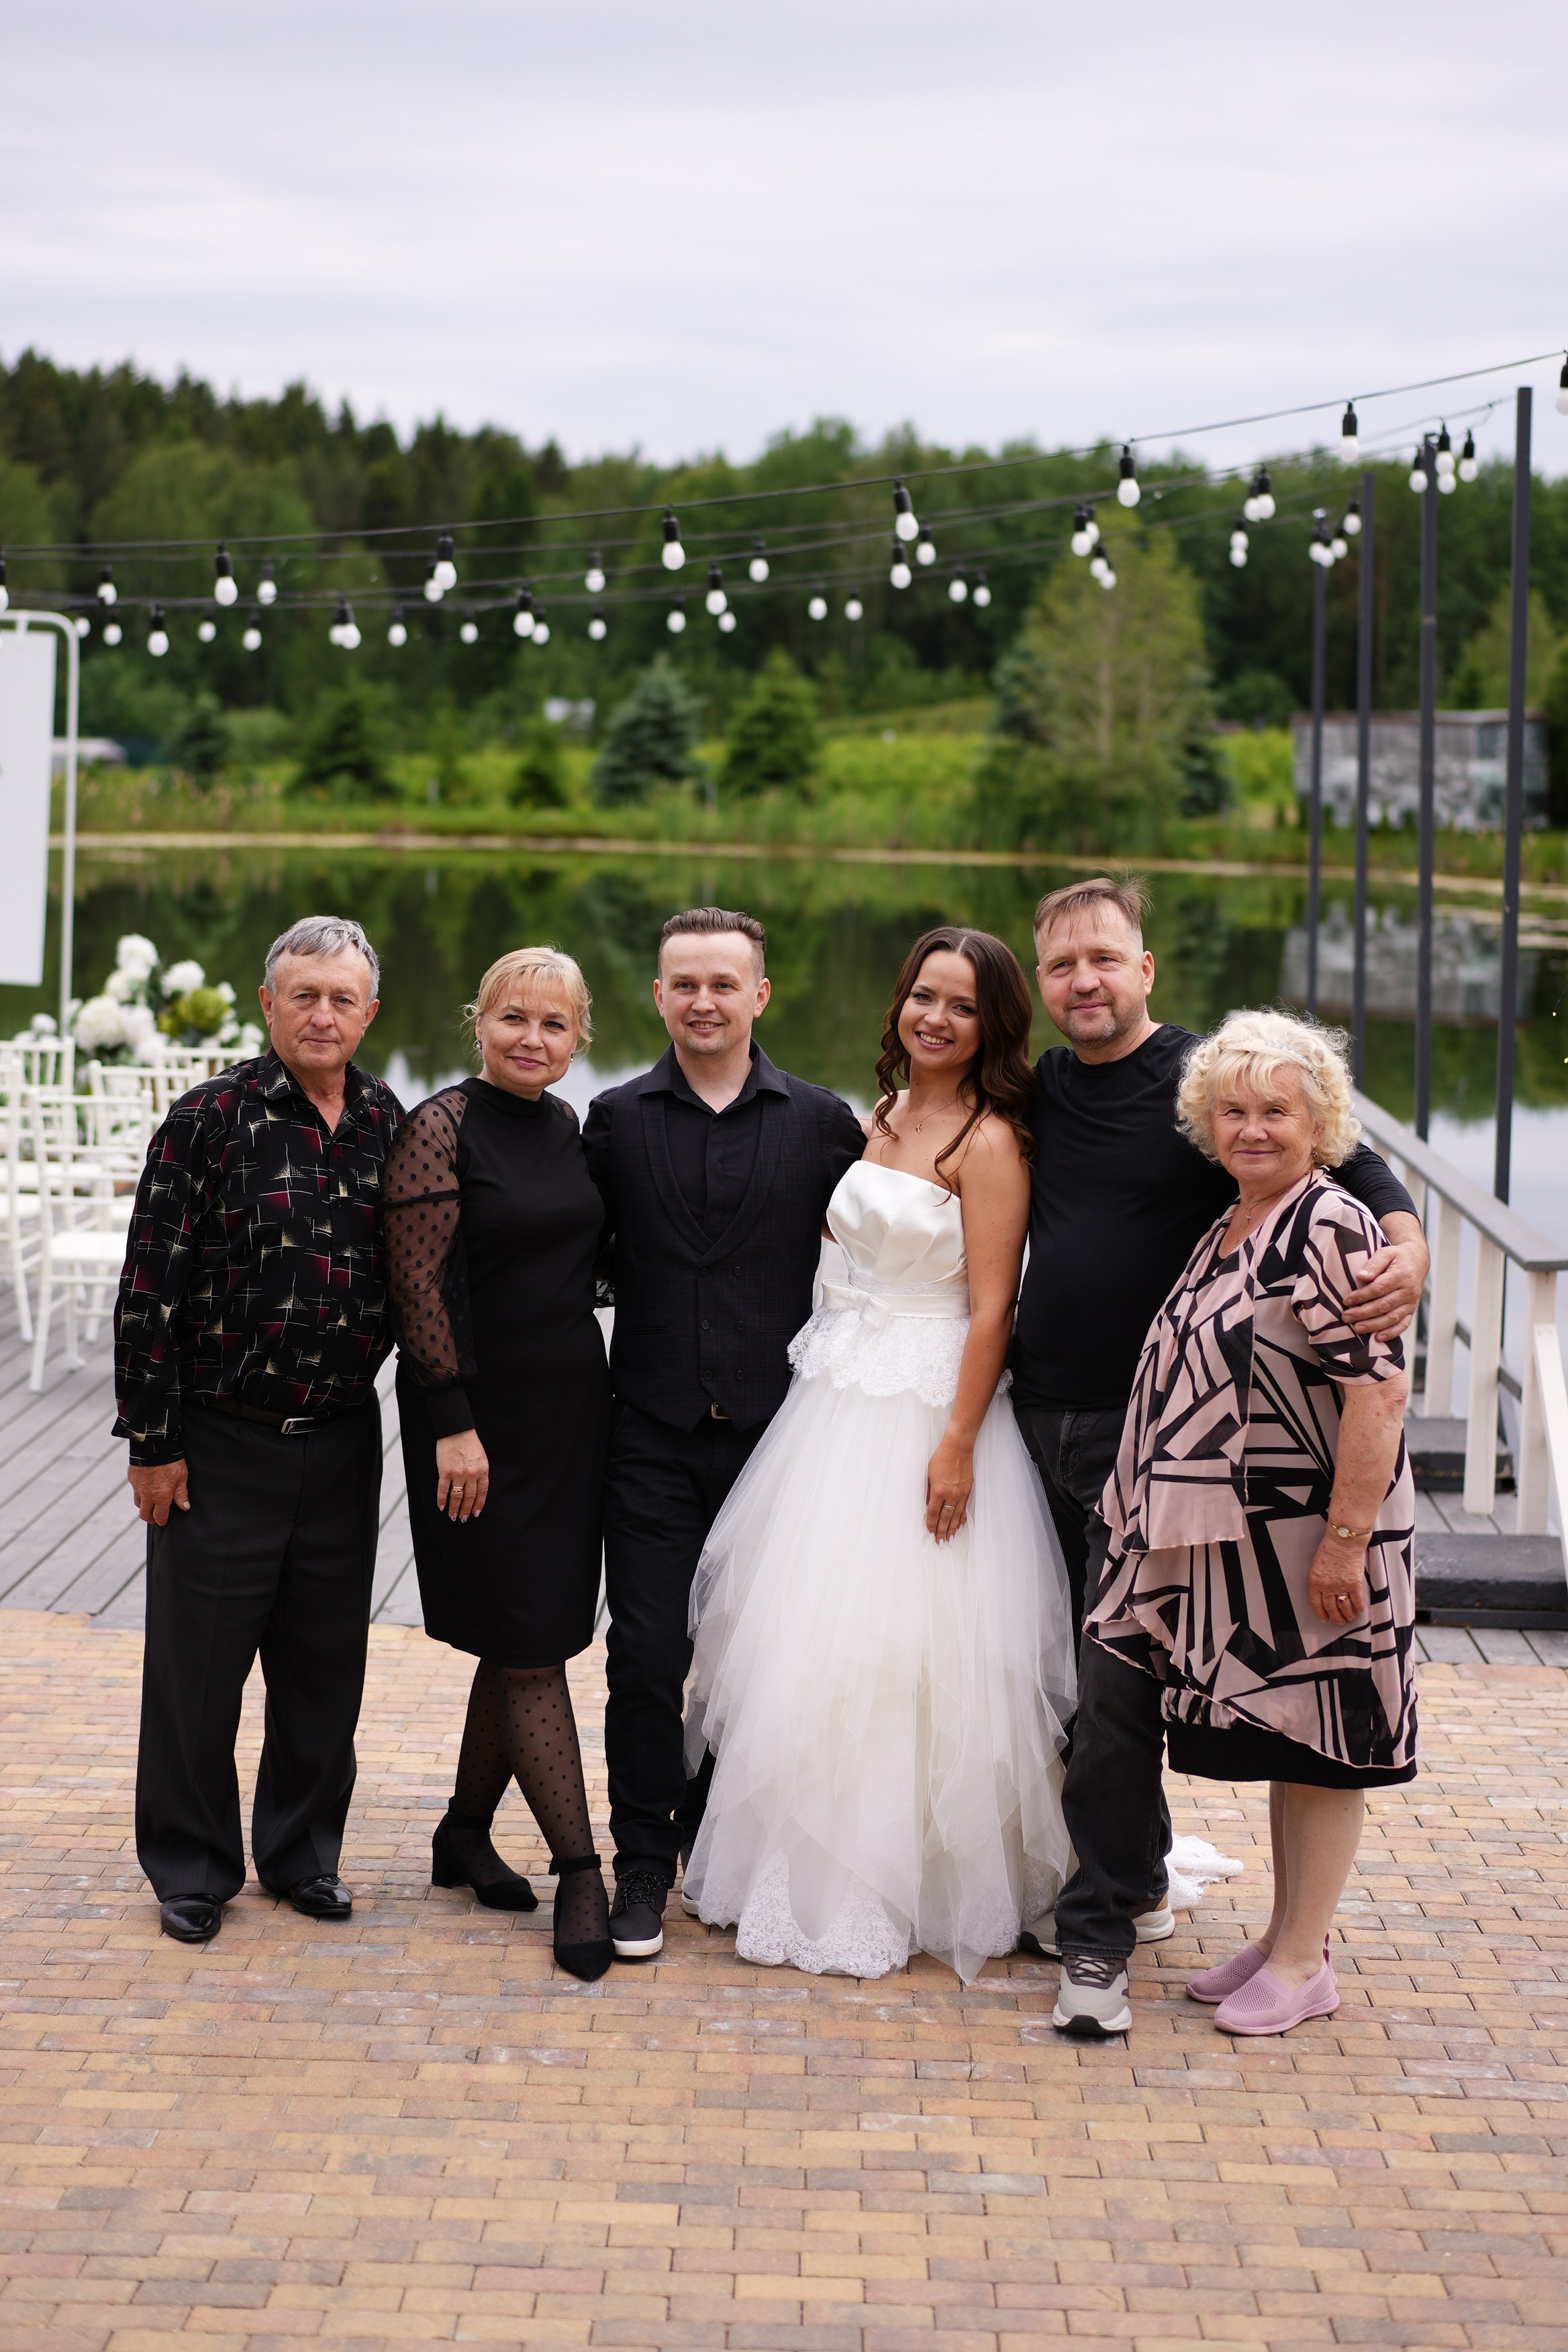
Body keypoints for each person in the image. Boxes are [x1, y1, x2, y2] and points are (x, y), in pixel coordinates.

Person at [1003, 876, 1428, 2036]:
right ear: (1042, 983)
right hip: (1058, 1429)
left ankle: (1122, 1931)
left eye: (1105, 958)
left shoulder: (1223, 1079)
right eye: (1062, 965)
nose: (1085, 981)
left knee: (1126, 1691)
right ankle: (1179, 1901)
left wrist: (1409, 1243)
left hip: (1219, 1480)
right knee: (1091, 1682)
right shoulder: (1052, 1090)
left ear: (1145, 967)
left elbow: (1358, 1178)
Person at [683, 928, 1075, 1982]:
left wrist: (957, 1445)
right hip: (837, 1394)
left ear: (994, 1025)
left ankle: (918, 1883)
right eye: (923, 997)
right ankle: (799, 1868)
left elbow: (992, 1307)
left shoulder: (991, 1140)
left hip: (927, 1404)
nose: (935, 1019)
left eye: (962, 1006)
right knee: (816, 1639)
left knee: (911, 1647)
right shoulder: (886, 1114)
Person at [1089, 1010, 1416, 2036]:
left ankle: (1306, 1959)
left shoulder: (1327, 1223)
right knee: (1291, 1736)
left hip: (1315, 1533)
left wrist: (1345, 1543)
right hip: (1257, 1539)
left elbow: (1378, 1392)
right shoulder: (1237, 1218)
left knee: (1326, 1743)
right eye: (1233, 1111)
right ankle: (1286, 1936)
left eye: (1277, 1110)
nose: (1254, 1128)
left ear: (1321, 1125)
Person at [582, 908, 865, 1961]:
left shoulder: (824, 1123)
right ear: (659, 995)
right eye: (685, 984)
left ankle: (721, 1845)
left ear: (760, 995)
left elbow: (889, 1243)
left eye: (724, 984)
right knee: (646, 1654)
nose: (704, 1002)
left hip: (780, 1442)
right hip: (649, 1434)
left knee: (759, 1661)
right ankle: (642, 1861)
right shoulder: (613, 1119)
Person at [114, 916, 402, 1945]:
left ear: (371, 1012)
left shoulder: (389, 1121)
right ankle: (192, 1866)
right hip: (218, 1441)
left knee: (324, 1668)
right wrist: (153, 1443)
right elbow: (148, 1289)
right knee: (196, 1674)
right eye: (304, 996)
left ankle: (302, 1854)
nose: (322, 1015)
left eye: (342, 998)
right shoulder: (208, 1119)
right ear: (269, 1003)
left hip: (342, 1436)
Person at [383, 947, 614, 1981]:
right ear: (478, 1021)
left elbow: (582, 1262)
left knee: (534, 1631)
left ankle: (463, 1833)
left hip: (569, 1414)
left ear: (577, 1039)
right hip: (476, 1421)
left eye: (554, 1024)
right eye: (514, 1016)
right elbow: (418, 1287)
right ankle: (582, 1872)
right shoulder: (439, 1127)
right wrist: (452, 1421)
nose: (532, 1037)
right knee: (531, 1649)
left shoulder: (566, 1126)